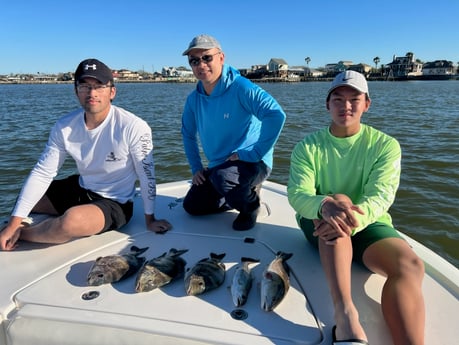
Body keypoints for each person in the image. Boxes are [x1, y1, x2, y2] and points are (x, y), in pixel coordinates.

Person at [287, 70, 425, 345]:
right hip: (318, 220)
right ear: (327, 104)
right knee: (339, 199)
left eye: (354, 99)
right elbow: (297, 195)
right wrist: (326, 205)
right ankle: (345, 315)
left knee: (411, 265)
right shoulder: (307, 146)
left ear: (367, 104)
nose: (345, 106)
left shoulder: (386, 146)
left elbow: (381, 197)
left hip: (368, 222)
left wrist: (349, 219)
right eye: (338, 99)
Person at [0, 58, 172, 251]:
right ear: (76, 91)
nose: (92, 93)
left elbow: (146, 176)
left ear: (112, 91)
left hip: (115, 202)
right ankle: (18, 228)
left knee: (71, 222)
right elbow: (42, 173)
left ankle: (22, 234)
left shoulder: (133, 127)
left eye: (99, 86)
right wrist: (15, 221)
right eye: (85, 86)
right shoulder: (64, 126)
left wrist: (150, 219)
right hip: (82, 188)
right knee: (27, 198)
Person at [181, 34, 286, 230]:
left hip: (253, 161)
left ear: (221, 58)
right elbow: (187, 134)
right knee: (192, 206)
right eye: (194, 61)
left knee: (224, 178)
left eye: (207, 58)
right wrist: (196, 168)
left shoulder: (241, 88)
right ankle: (236, 193)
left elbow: (275, 115)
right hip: (220, 166)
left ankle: (251, 205)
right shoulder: (194, 99)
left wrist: (254, 153)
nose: (200, 65)